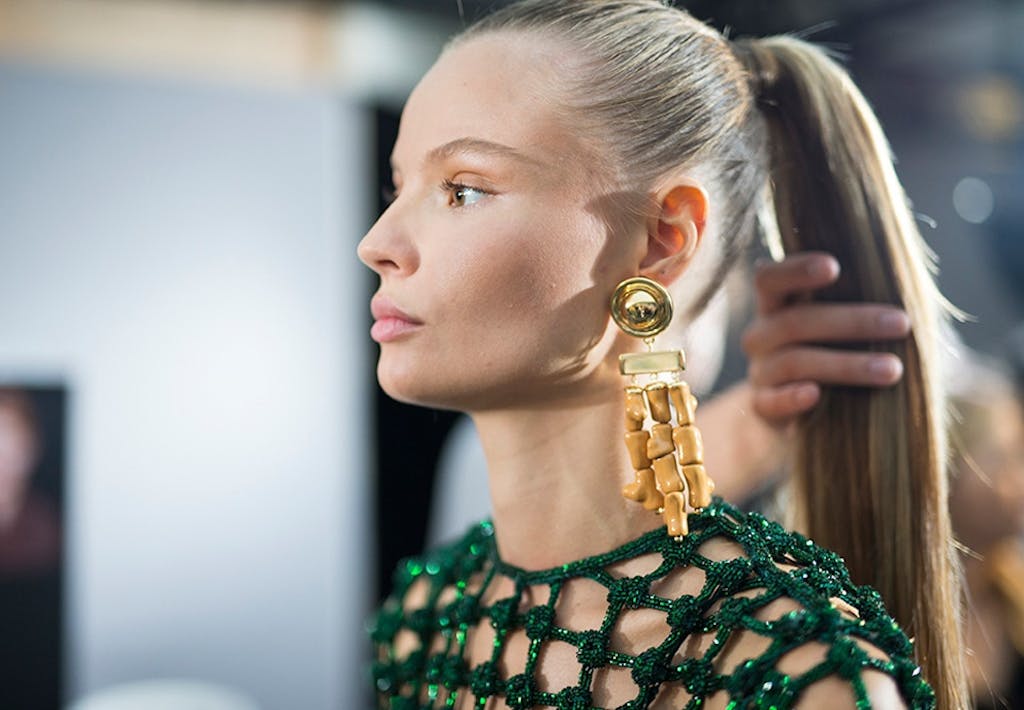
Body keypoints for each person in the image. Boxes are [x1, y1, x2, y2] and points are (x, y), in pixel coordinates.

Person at [361, 1, 966, 707]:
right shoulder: (427, 621)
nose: (377, 243)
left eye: (463, 190)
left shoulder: (794, 673)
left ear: (659, 243)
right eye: (398, 188)